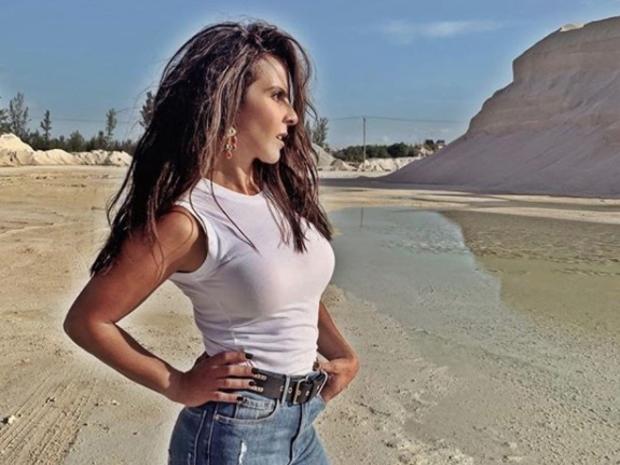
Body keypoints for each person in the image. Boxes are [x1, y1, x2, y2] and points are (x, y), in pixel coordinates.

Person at [63, 19, 360, 465]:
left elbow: (296, 293)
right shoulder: (187, 219)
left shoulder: (276, 196)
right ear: (229, 102)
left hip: (303, 424)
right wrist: (177, 384)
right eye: (277, 96)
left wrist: (342, 354)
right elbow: (88, 320)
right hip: (235, 433)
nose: (293, 115)